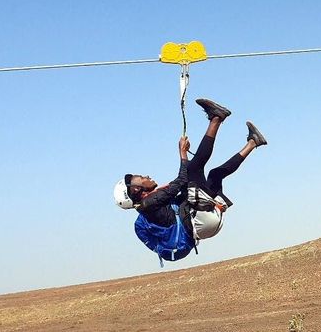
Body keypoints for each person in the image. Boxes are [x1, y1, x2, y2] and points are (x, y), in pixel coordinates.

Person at [113, 98, 266, 262]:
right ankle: (216, 118)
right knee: (193, 168)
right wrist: (183, 153)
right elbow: (183, 179)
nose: (144, 176)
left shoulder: (150, 204)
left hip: (205, 224)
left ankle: (253, 142)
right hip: (199, 221)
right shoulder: (149, 203)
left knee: (215, 175)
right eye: (139, 178)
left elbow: (180, 184)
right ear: (135, 190)